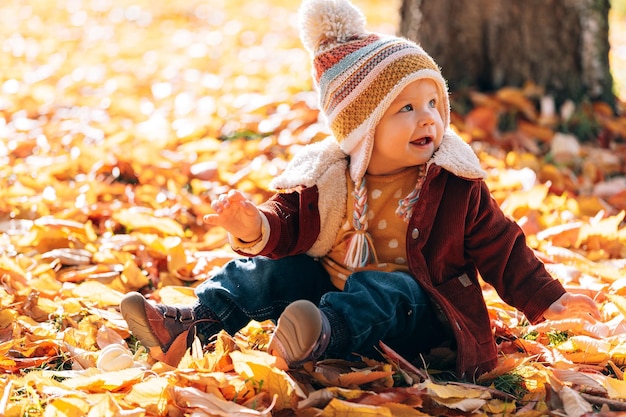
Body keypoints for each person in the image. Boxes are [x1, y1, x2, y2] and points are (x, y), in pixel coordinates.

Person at [120, 0, 601, 379]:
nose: (428, 117)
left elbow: (502, 246)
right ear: (362, 130)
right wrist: (253, 224)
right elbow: (287, 222)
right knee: (269, 270)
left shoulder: (453, 183)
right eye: (406, 108)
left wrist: (547, 298)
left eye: (433, 101)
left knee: (383, 287)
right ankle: (191, 323)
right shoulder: (328, 176)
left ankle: (318, 334)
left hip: (421, 311)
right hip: (330, 289)